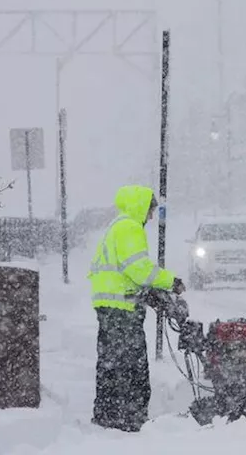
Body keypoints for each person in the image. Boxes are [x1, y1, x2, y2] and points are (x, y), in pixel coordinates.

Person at [87, 184, 184, 432]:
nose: (151, 217)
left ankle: (107, 415)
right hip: (122, 309)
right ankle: (131, 419)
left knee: (111, 364)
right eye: (150, 211)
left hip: (111, 306)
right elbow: (138, 268)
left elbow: (126, 271)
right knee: (133, 366)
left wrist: (147, 294)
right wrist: (170, 281)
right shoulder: (129, 227)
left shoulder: (117, 226)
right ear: (141, 207)